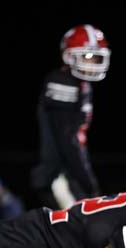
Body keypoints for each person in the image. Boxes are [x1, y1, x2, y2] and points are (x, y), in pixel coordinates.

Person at [30, 25, 110, 210]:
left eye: (95, 58)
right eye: (87, 57)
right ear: (68, 55)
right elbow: (68, 140)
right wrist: (89, 183)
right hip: (59, 177)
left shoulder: (82, 85)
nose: (91, 63)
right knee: (80, 233)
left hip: (67, 175)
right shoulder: (61, 81)